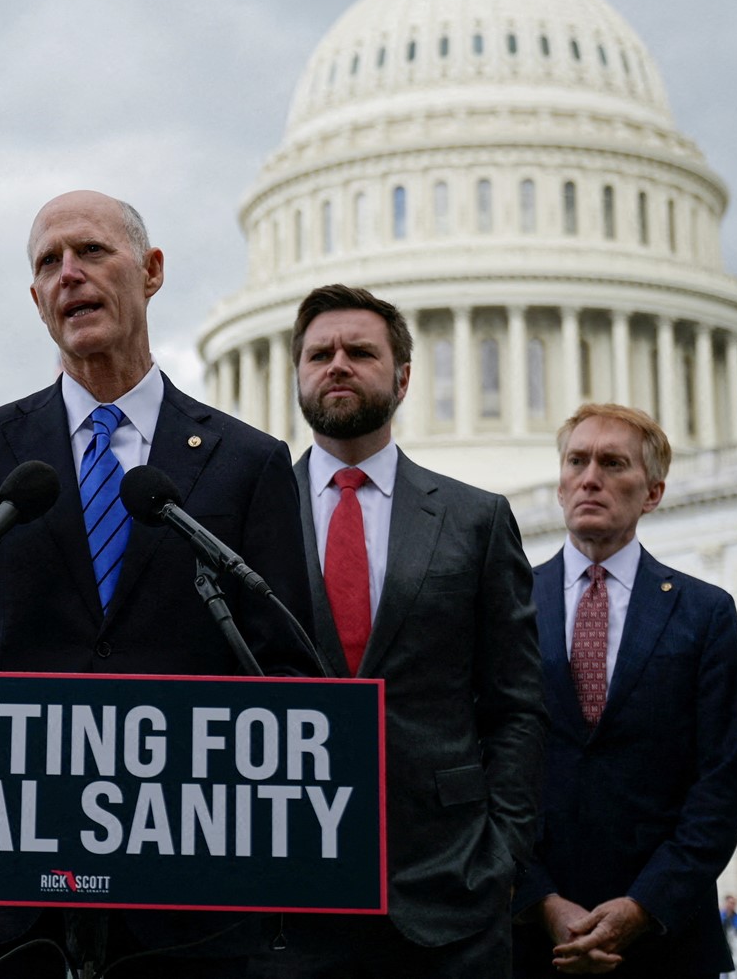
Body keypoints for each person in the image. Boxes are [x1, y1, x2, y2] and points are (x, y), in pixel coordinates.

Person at [0, 190, 314, 977]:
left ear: (152, 271)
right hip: (8, 895)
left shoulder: (248, 463)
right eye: (47, 264)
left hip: (189, 900)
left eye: (92, 252)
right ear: (35, 300)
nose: (69, 275)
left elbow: (285, 670)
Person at [252, 284, 543, 978]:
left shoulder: (476, 519)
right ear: (298, 374)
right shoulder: (250, 519)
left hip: (449, 894)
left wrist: (500, 856)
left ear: (404, 376)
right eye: (320, 353)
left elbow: (518, 704)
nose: (338, 365)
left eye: (360, 351)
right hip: (291, 897)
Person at [512, 404, 737, 977]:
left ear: (653, 493)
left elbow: (720, 784)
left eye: (613, 462)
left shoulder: (705, 613)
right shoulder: (505, 604)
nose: (590, 477)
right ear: (561, 481)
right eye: (577, 461)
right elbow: (476, 765)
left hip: (667, 941)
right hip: (530, 942)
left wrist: (644, 905)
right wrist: (542, 902)